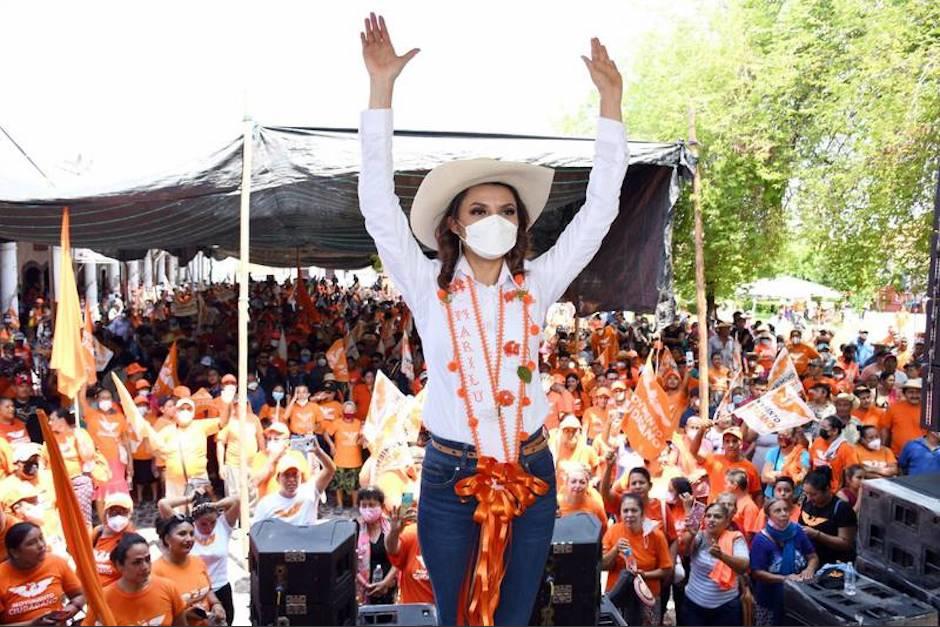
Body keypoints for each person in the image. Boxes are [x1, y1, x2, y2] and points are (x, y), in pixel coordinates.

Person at [358, 13, 628, 624]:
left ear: (520, 223)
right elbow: (376, 206)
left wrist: (611, 105)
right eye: (478, 210)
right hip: (450, 476)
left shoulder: (539, 283)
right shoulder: (428, 284)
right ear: (454, 224)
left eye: (506, 210)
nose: (494, 219)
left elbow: (599, 212)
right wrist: (381, 89)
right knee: (455, 614)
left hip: (532, 471)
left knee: (515, 614)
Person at [158, 492, 240, 625]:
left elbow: (236, 500)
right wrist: (189, 499)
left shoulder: (223, 526)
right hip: (196, 590)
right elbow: (163, 504)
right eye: (203, 524)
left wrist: (213, 505)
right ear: (195, 521)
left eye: (212, 522)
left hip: (220, 586)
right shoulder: (188, 532)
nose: (209, 527)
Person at [81, 532, 196, 627]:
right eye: (137, 562)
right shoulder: (104, 599)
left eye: (147, 559)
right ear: (119, 565)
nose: (145, 567)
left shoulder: (168, 588)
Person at [601, 493, 672, 625]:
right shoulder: (613, 531)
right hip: (617, 597)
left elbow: (666, 570)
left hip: (646, 596)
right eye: (625, 511)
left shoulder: (656, 535)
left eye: (634, 510)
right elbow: (602, 565)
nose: (629, 515)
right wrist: (615, 550)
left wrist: (644, 575)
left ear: (642, 513)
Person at [750, 498, 819, 626]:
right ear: (768, 516)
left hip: (799, 598)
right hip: (770, 599)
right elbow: (757, 573)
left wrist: (809, 569)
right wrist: (785, 579)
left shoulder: (797, 531)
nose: (783, 513)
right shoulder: (761, 540)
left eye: (786, 510)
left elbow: (813, 557)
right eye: (778, 511)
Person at [678, 502, 749, 626]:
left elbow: (743, 566)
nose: (711, 519)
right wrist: (691, 534)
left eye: (717, 516)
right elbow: (684, 551)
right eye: (708, 516)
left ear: (727, 522)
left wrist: (722, 556)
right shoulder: (699, 536)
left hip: (726, 607)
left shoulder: (735, 538)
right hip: (694, 605)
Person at [0, 522, 84, 625]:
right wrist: (31, 624)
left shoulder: (56, 562)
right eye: (31, 543)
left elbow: (79, 595)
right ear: (15, 552)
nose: (41, 545)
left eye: (41, 538)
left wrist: (68, 611)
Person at [152, 515, 226, 625]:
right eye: (182, 534)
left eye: (192, 534)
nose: (189, 539)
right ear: (167, 539)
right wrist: (184, 616)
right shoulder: (155, 572)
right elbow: (157, 615)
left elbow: (208, 590)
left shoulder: (198, 561)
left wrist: (216, 604)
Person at [253, 444, 335, 525]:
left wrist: (319, 453)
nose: (291, 479)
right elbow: (257, 530)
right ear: (278, 478)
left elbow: (330, 470)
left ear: (300, 476)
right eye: (287, 475)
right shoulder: (265, 504)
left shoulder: (310, 491)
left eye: (295, 475)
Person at [799, 468, 857, 566]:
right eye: (806, 493)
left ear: (827, 489)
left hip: (833, 562)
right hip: (808, 558)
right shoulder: (806, 500)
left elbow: (846, 543)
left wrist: (817, 535)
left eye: (813, 494)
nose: (809, 498)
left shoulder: (842, 509)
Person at [355, 487, 398, 605]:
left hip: (388, 587)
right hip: (362, 589)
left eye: (372, 505)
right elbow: (349, 562)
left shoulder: (390, 527)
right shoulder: (354, 527)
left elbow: (398, 559)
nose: (368, 509)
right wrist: (366, 585)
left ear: (382, 507)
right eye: (364, 506)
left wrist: (385, 583)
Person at [386, 501, 434, 604]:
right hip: (412, 609)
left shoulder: (457, 537)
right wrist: (394, 532)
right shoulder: (412, 532)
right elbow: (392, 550)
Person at [91, 492, 136, 588]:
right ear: (106, 514)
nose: (117, 517)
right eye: (113, 512)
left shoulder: (133, 539)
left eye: (122, 512)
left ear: (129, 514)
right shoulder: (97, 533)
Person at [809, 416, 858, 493]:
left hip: (833, 491)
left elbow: (851, 473)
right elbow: (811, 464)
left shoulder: (846, 448)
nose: (821, 429)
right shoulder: (817, 442)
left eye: (824, 427)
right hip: (815, 488)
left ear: (835, 431)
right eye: (821, 426)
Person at [557, 462, 607, 535]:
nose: (577, 486)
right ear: (566, 483)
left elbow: (604, 530)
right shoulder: (556, 504)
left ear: (587, 485)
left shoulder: (596, 506)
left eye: (582, 482)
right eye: (573, 482)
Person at [761, 428, 809, 499]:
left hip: (792, 499)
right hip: (771, 498)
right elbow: (764, 478)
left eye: (785, 435)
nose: (781, 437)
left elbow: (800, 479)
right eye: (779, 435)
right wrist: (787, 476)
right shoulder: (773, 452)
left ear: (794, 438)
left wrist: (776, 475)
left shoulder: (803, 455)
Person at [884, 378, 926, 457]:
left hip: (922, 456)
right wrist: (884, 451)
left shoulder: (928, 410)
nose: (914, 395)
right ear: (904, 393)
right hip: (897, 455)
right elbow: (885, 430)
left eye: (918, 392)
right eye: (911, 392)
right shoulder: (893, 408)